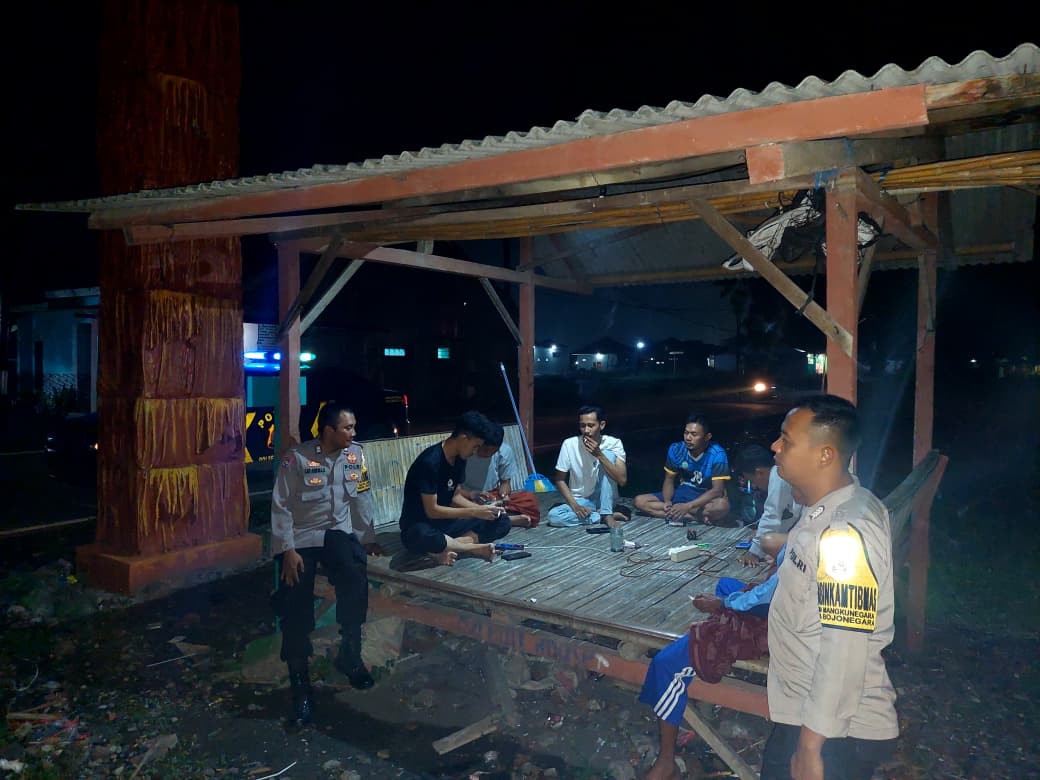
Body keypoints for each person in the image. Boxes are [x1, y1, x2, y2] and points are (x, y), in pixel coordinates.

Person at [763, 394, 898, 779]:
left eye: (786, 440)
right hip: (811, 712)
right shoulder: (827, 509)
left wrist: (811, 745)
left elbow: (845, 645)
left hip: (835, 730)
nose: (775, 447)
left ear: (825, 455)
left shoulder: (844, 532)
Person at [640, 532, 788, 780]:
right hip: (777, 604)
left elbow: (765, 600)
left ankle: (666, 762)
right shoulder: (815, 528)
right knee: (725, 584)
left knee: (665, 664)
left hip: (776, 620)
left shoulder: (809, 542)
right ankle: (716, 627)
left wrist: (722, 605)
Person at [269, 404, 382, 725]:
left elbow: (361, 496)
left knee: (355, 571)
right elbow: (280, 506)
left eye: (353, 427)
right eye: (347, 428)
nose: (353, 433)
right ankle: (300, 682)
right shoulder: (297, 459)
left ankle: (350, 654)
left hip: (336, 533)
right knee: (295, 597)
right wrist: (287, 550)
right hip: (300, 537)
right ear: (328, 430)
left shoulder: (355, 455)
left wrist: (367, 538)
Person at [399, 411, 512, 566]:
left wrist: (484, 510)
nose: (475, 452)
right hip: (422, 525)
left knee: (502, 521)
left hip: (445, 524)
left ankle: (448, 547)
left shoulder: (459, 459)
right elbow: (432, 511)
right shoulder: (430, 462)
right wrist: (475, 511)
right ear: (464, 438)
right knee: (419, 535)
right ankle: (470, 548)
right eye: (475, 446)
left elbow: (455, 496)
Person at [634, 415, 732, 526]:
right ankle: (694, 517)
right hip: (683, 492)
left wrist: (687, 506)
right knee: (639, 501)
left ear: (707, 437)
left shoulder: (717, 454)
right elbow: (669, 480)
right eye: (686, 433)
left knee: (722, 506)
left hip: (705, 496)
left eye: (694, 434)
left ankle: (681, 512)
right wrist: (667, 501)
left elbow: (717, 490)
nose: (688, 438)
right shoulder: (676, 449)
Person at [546, 405, 629, 527]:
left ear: (601, 425)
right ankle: (599, 516)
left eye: (591, 425)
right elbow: (559, 480)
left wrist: (599, 455)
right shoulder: (569, 444)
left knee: (608, 454)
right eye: (582, 426)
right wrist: (575, 506)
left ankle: (607, 513)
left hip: (605, 499)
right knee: (554, 516)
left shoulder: (613, 443)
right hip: (581, 500)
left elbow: (622, 480)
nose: (586, 430)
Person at [457, 419, 541, 528]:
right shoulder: (465, 451)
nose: (488, 454)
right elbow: (454, 490)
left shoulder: (504, 451)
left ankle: (495, 516)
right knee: (452, 505)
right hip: (466, 496)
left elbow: (505, 483)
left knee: (529, 499)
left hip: (491, 496)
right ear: (479, 443)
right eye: (485, 450)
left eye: (493, 452)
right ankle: (508, 520)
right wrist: (471, 494)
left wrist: (504, 495)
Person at [736, 443, 802, 567]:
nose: (754, 486)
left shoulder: (778, 476)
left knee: (768, 541)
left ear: (759, 473)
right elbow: (787, 518)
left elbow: (771, 516)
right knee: (762, 536)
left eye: (752, 481)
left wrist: (754, 552)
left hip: (813, 536)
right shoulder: (782, 472)